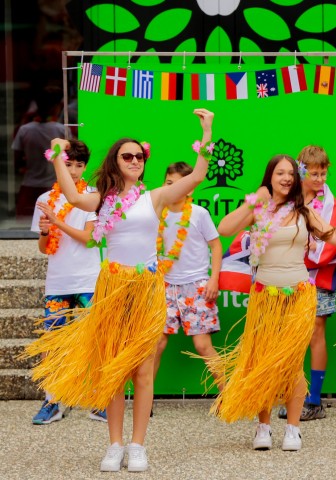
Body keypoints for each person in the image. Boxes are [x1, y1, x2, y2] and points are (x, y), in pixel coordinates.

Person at [24, 108, 215, 473]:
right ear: (115, 161)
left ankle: (137, 445)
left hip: (145, 287)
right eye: (126, 156)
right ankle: (114, 444)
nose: (134, 161)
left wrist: (206, 133)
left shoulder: (155, 197)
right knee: (113, 368)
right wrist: (58, 155)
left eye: (139, 156)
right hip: (112, 286)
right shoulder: (102, 198)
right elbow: (70, 194)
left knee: (143, 371)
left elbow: (198, 177)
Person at [214, 154, 336, 452]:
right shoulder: (258, 210)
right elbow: (224, 229)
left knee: (292, 364)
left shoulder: (304, 211)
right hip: (265, 295)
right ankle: (263, 427)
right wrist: (253, 202)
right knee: (262, 361)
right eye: (280, 173)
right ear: (269, 177)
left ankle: (293, 429)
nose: (286, 178)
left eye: (291, 173)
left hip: (299, 295)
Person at [29, 139, 103, 425]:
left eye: (79, 165)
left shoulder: (93, 197)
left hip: (88, 280)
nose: (73, 171)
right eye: (68, 163)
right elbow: (43, 247)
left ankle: (100, 400)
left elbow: (89, 239)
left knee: (95, 340)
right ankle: (53, 400)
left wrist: (57, 223)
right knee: (54, 342)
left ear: (85, 167)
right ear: (58, 162)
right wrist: (46, 231)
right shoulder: (45, 199)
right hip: (58, 282)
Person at [278, 146, 336, 421]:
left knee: (315, 332)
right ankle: (291, 394)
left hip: (316, 278)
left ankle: (315, 400)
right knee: (289, 335)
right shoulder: (285, 197)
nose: (319, 179)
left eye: (323, 173)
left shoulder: (331, 204)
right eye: (313, 173)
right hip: (286, 277)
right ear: (301, 171)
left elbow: (333, 242)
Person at [153, 162, 224, 395]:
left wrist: (213, 280)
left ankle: (228, 394)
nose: (173, 187)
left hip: (196, 286)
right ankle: (146, 398)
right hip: (165, 285)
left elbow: (216, 245)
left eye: (180, 183)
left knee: (202, 345)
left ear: (190, 188)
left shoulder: (198, 214)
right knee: (157, 344)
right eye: (169, 182)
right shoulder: (157, 212)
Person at [12, 86, 66, 217]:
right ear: (56, 107)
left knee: (22, 225)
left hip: (29, 186)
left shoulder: (25, 130)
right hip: (54, 186)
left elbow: (16, 158)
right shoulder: (62, 130)